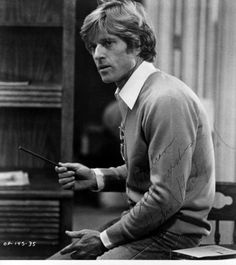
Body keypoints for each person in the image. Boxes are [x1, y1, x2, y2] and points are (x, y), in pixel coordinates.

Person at [50, 0, 215, 260]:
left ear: (136, 44)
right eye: (93, 46)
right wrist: (97, 177)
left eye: (108, 43)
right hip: (147, 227)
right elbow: (150, 167)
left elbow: (165, 199)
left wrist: (103, 240)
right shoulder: (136, 94)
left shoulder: (165, 99)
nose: (97, 55)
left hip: (172, 236)